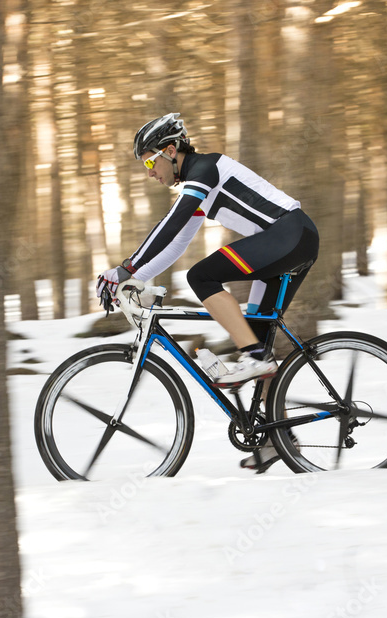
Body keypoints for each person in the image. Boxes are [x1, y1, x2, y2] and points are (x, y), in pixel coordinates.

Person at [96, 113, 319, 470]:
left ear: (171, 150)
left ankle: (254, 357)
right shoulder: (201, 182)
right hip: (291, 242)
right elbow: (177, 242)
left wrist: (126, 267)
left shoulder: (206, 169)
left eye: (151, 161)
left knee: (202, 277)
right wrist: (131, 278)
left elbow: (172, 222)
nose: (150, 172)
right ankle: (281, 439)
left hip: (288, 235)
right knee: (258, 344)